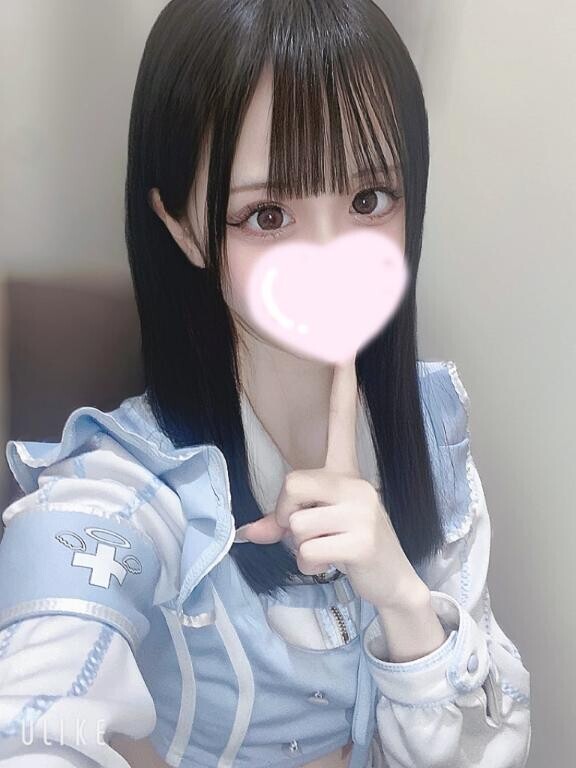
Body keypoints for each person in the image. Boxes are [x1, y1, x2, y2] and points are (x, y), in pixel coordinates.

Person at [0, 1, 531, 767]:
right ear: (182, 226)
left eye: (369, 200)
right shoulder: (124, 490)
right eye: (269, 214)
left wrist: (401, 596)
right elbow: (32, 720)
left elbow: (497, 746)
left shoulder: (430, 432)